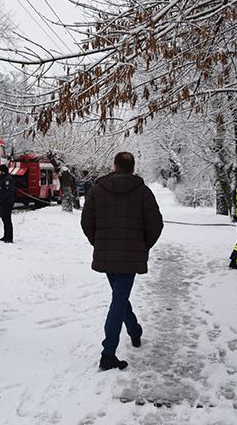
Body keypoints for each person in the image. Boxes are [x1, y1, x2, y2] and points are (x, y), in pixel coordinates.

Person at [81, 152, 163, 371]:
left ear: (114, 167)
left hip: (108, 254)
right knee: (119, 299)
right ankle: (108, 353)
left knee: (119, 298)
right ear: (133, 169)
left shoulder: (96, 190)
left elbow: (86, 222)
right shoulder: (143, 192)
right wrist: (142, 247)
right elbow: (156, 225)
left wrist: (100, 243)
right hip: (129, 256)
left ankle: (134, 331)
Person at [0, 164, 15, 243]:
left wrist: (1, 198)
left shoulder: (8, 179)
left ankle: (9, 237)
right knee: (4, 219)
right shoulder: (2, 178)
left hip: (7, 202)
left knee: (7, 220)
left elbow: (8, 191)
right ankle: (5, 235)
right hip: (3, 202)